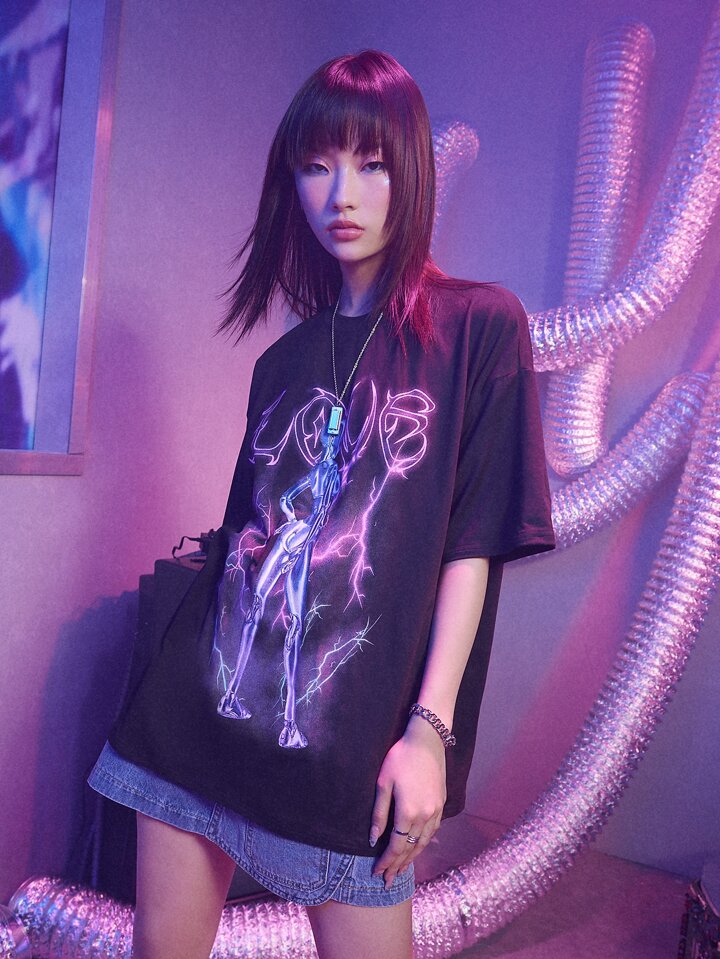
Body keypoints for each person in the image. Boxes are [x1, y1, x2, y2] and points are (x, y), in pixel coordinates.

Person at [88, 48, 555, 959]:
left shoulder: (480, 328)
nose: (343, 194)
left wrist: (430, 732)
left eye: (372, 164)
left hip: (347, 761)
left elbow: (471, 545)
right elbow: (244, 551)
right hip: (191, 727)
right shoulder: (281, 364)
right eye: (316, 165)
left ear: (411, 171)